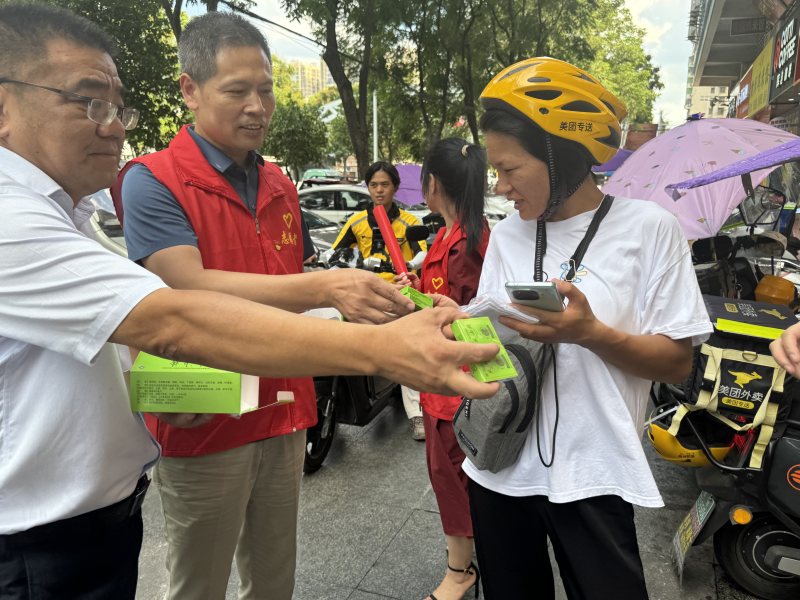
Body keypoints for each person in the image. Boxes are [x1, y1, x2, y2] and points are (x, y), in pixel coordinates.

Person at [0, 5, 500, 599]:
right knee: (200, 582)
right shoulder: (149, 180)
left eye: (266, 90)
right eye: (238, 90)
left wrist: (360, 294)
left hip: (279, 404)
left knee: (274, 574)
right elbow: (176, 299)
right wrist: (355, 320)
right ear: (190, 89)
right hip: (202, 413)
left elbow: (269, 287)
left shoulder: (274, 185)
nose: (257, 106)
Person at [463, 57, 713, 599]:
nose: (501, 187)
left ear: (560, 154)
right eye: (496, 172)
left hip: (595, 475)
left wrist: (591, 333)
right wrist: (453, 324)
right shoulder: (506, 235)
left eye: (510, 169)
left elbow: (677, 363)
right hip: (499, 464)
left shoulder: (649, 230)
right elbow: (490, 348)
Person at [401, 138, 490, 600]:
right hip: (448, 384)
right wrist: (413, 290)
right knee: (455, 476)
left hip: (456, 389)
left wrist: (430, 311)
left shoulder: (465, 245)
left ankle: (460, 571)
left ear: (432, 183)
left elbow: (467, 319)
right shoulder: (453, 236)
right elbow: (443, 302)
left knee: (453, 477)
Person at [332, 160, 429, 440]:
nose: (379, 190)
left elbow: (422, 254)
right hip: (366, 293)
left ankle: (416, 414)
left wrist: (409, 265)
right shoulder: (356, 221)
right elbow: (336, 253)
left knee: (407, 348)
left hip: (401, 292)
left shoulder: (410, 222)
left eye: (385, 184)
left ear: (395, 187)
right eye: (374, 185)